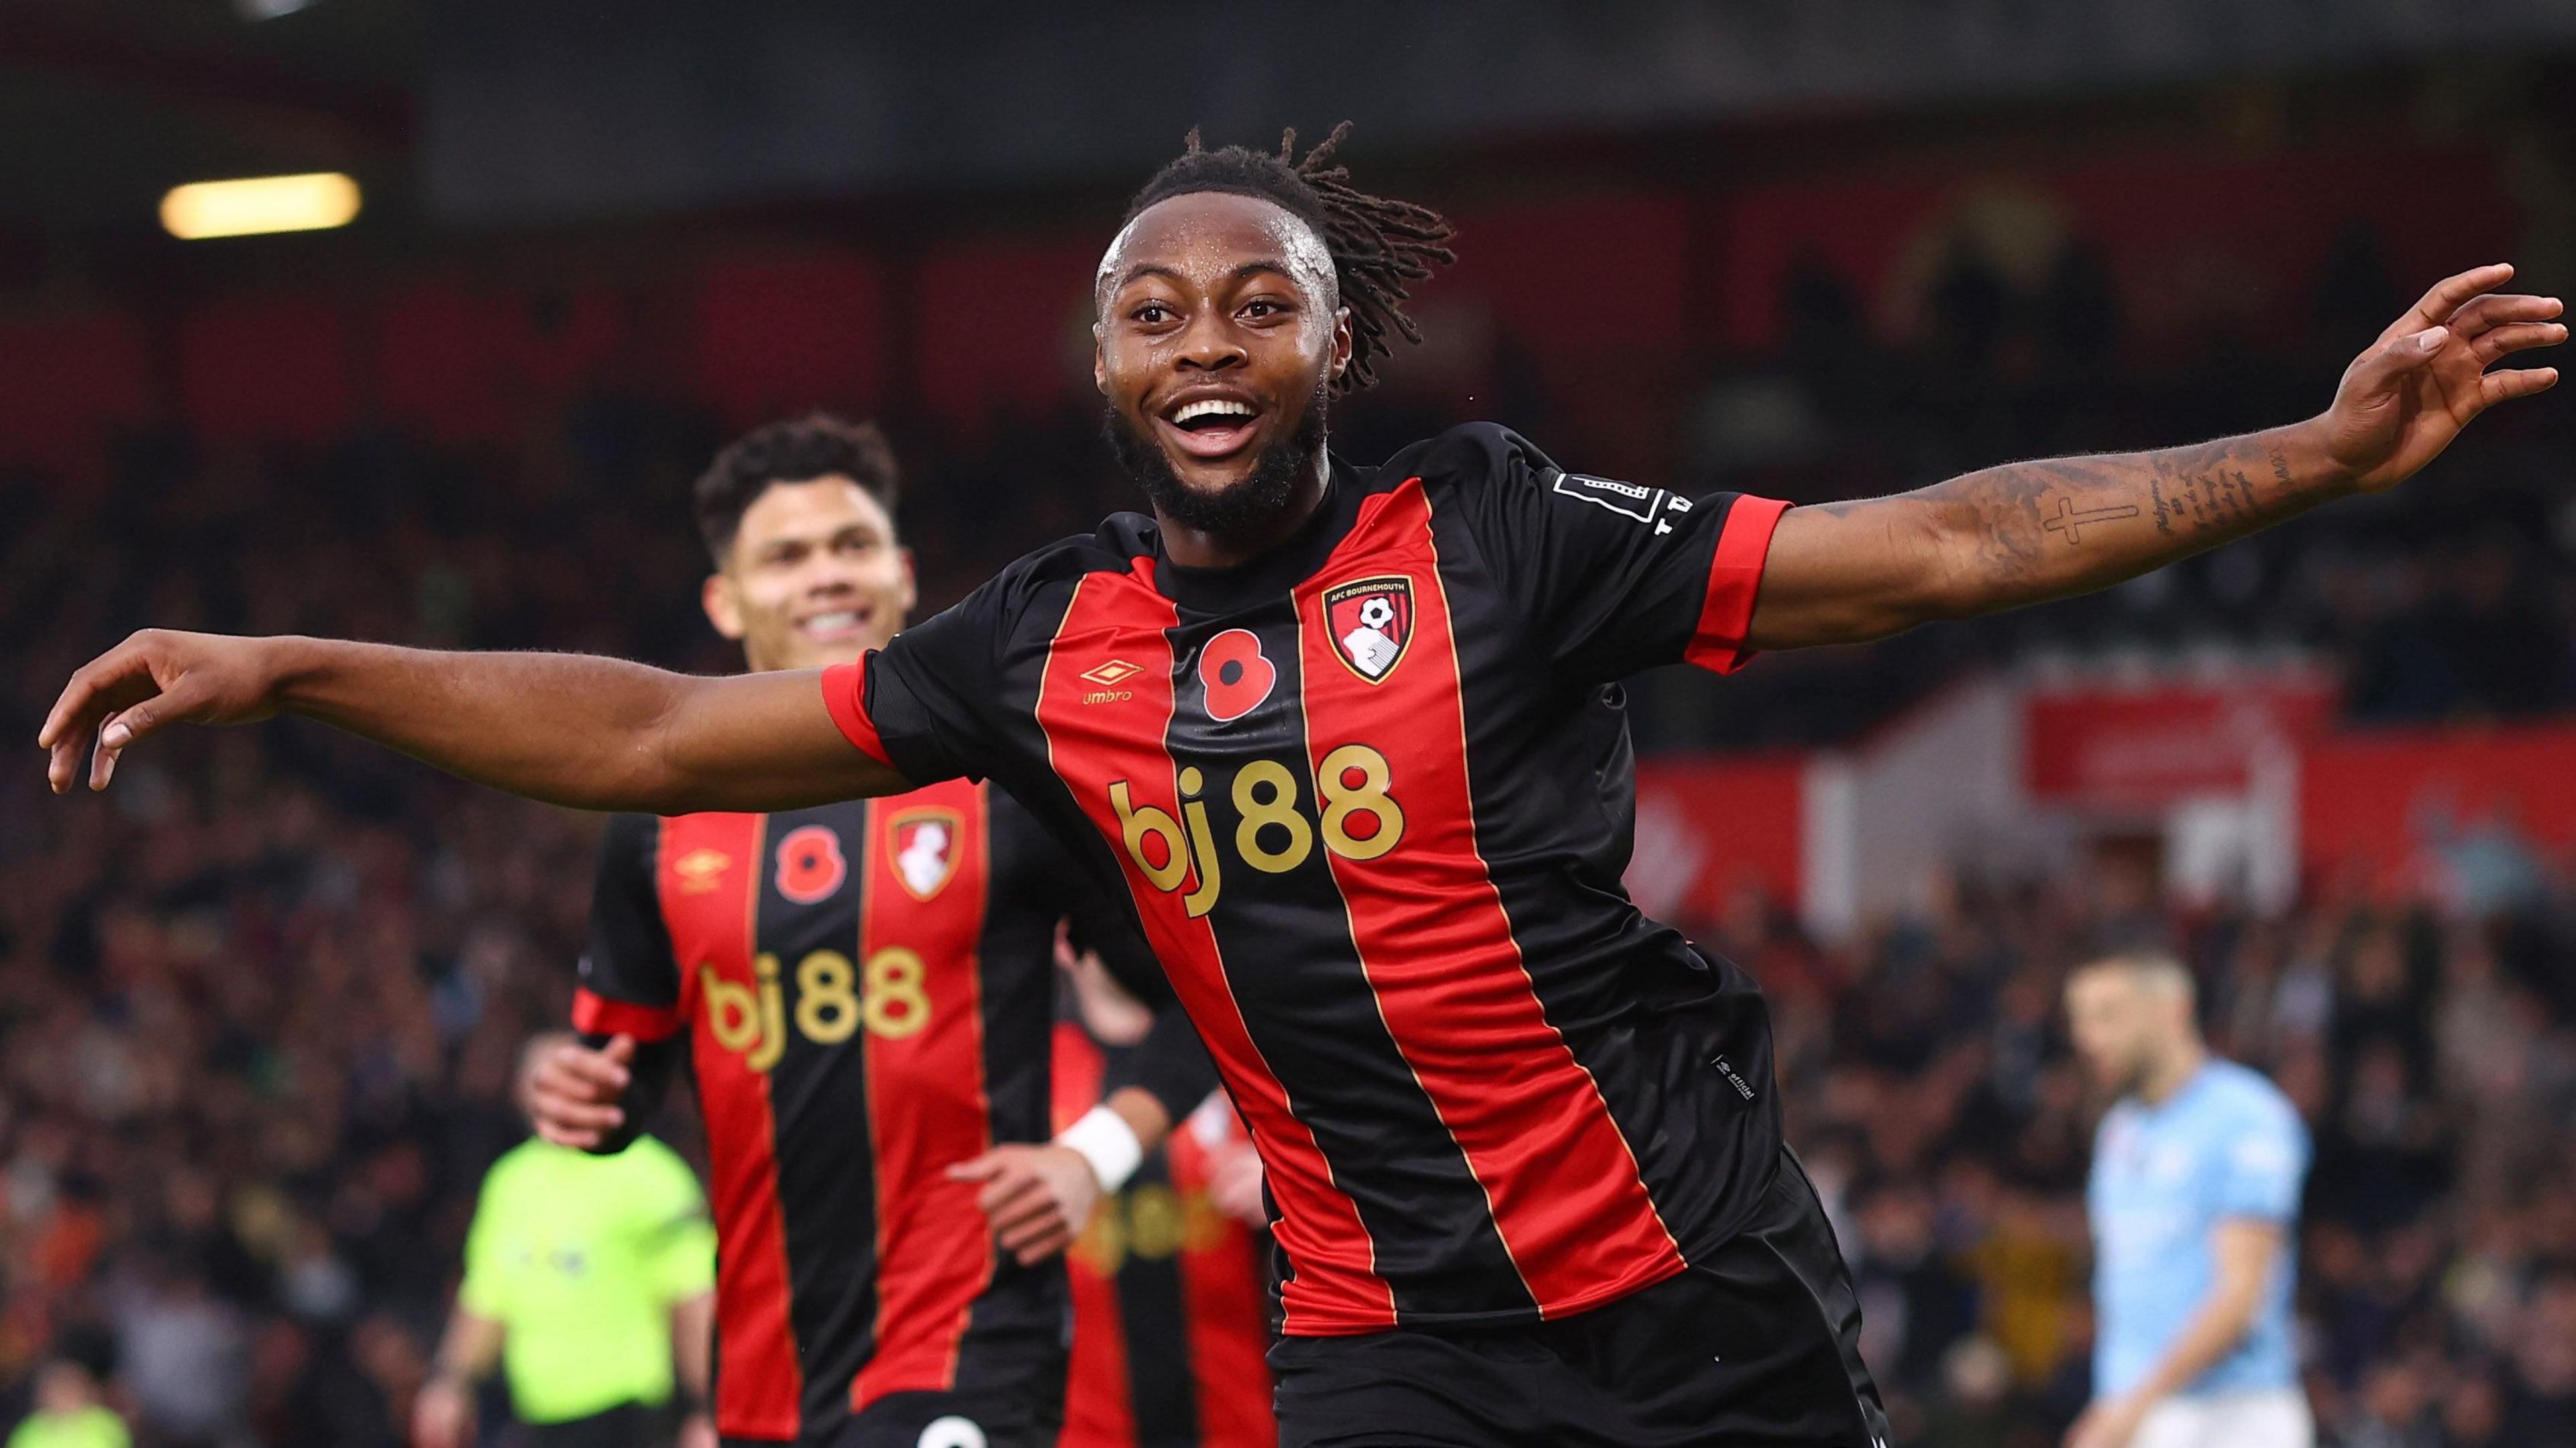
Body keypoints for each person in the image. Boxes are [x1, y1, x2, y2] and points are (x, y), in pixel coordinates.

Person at [39, 123, 2562, 1445]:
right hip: (1389, 1340)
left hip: (1695, 1293)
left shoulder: (1495, 524)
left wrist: (2311, 464)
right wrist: (288, 662)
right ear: (1104, 369)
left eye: (1261, 300)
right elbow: (650, 734)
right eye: (1158, 312)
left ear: (1339, 340)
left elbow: (1930, 554)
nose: (1209, 339)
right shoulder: (1041, 644)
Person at [517, 414, 1216, 1447]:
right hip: (765, 1372)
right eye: (787, 555)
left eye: (850, 545)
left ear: (900, 571)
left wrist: (1095, 1153)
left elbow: (1210, 987)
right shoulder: (660, 830)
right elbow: (626, 1071)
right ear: (726, 597)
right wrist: (587, 1097)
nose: (825, 575)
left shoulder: (1006, 784)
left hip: (971, 1338)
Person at [412, 1033, 718, 1448]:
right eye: (538, 1080)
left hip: (630, 1415)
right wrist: (450, 1382)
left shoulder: (650, 1174)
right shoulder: (510, 1183)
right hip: (540, 1416)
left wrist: (708, 1409)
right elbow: (487, 1297)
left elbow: (693, 1297)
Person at [2063, 954, 2314, 1448]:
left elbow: (2241, 1295)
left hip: (2232, 1416)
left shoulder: (2246, 1118)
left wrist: (2134, 1405)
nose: (2088, 1038)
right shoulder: (2120, 1130)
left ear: (2172, 1010)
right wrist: (2115, 1403)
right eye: (2079, 1019)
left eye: (2109, 1014)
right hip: (2137, 1411)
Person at [1049, 931, 1273, 1448]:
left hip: (1246, 1424)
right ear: (1065, 939)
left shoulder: (1245, 1054)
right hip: (1086, 1432)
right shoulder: (1030, 1071)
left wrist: (1292, 1184)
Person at [5, 1359, 129, 1448]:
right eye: (57, 1390)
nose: (63, 1396)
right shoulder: (28, 1433)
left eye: (69, 1388)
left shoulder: (106, 1425)